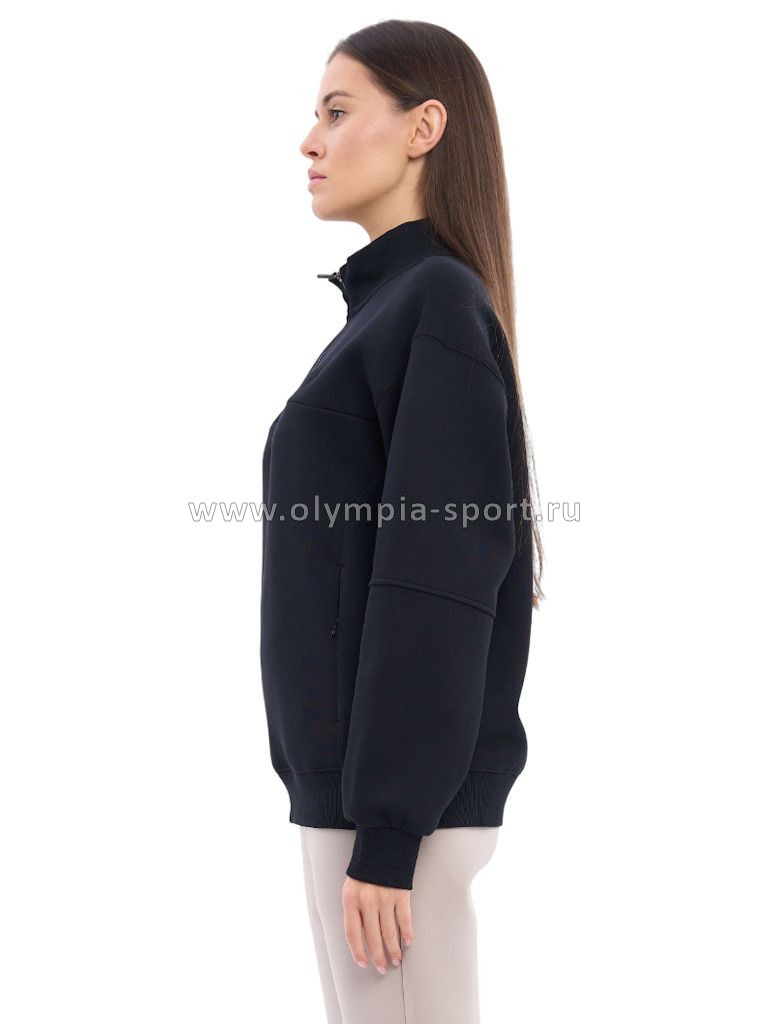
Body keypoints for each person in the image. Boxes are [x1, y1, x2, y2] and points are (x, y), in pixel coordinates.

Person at [260, 19, 543, 1024]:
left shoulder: (436, 306)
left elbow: (438, 580)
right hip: (354, 798)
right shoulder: (393, 313)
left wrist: (388, 831)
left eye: (338, 112)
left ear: (425, 128)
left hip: (391, 819)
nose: (310, 140)